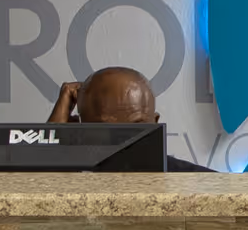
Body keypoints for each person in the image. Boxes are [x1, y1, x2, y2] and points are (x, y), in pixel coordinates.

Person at [49, 66, 214, 172]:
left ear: (154, 123)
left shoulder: (197, 184)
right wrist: (55, 135)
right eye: (106, 129)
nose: (124, 142)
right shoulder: (66, 183)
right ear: (80, 130)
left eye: (137, 127)